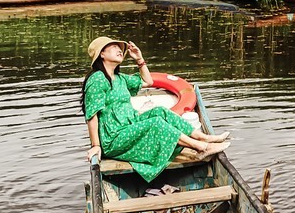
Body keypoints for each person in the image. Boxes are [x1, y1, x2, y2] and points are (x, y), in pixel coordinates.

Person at [82, 35, 229, 182]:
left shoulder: (120, 78)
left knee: (161, 111)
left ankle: (204, 137)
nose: (119, 50)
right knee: (156, 123)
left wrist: (139, 59)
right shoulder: (97, 79)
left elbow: (148, 81)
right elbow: (92, 114)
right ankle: (201, 148)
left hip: (129, 126)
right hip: (114, 138)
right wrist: (96, 145)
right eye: (113, 47)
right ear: (102, 54)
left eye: (120, 48)